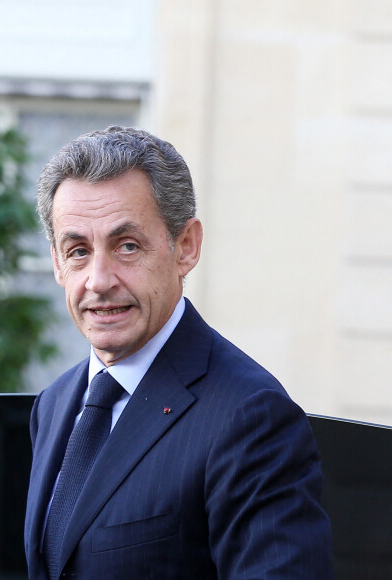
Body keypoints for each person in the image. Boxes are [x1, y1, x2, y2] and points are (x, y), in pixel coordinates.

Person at [24, 126, 332, 579]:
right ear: (55, 261)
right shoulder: (53, 404)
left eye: (127, 246)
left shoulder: (251, 416)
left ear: (186, 247)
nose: (99, 279)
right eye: (78, 251)